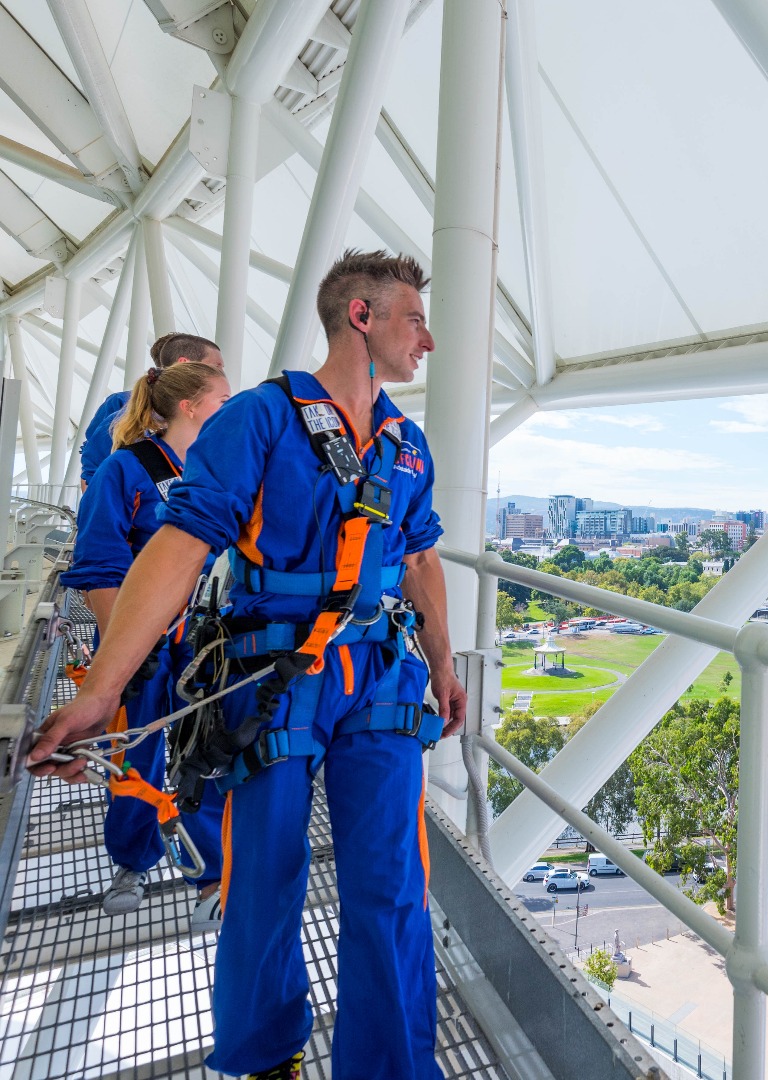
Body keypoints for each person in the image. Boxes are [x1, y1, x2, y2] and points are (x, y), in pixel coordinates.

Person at [30, 249, 466, 1080]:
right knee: (263, 879)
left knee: (393, 887)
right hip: (271, 680)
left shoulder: (406, 445)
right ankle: (267, 1058)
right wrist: (100, 691)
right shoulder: (260, 418)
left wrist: (443, 667)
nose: (428, 339)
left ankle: (392, 1070)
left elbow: (419, 558)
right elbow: (181, 544)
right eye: (414, 319)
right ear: (362, 317)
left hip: (379, 676)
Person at [61, 361, 231, 924]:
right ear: (190, 406)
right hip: (144, 642)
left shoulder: (218, 470)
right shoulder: (125, 470)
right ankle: (133, 859)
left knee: (205, 746)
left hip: (203, 639)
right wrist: (125, 651)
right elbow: (100, 566)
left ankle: (212, 875)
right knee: (136, 749)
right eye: (222, 397)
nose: (232, 408)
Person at [79, 332, 224, 491]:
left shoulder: (206, 421)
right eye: (217, 366)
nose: (221, 373)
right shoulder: (123, 410)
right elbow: (92, 472)